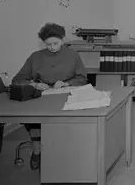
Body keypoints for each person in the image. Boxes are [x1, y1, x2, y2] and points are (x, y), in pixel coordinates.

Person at [12, 23, 88, 170]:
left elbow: (82, 78)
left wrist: (66, 83)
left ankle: (61, 154)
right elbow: (18, 80)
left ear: (62, 40)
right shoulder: (36, 57)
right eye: (48, 44)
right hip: (42, 98)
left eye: (55, 43)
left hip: (65, 97)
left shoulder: (73, 55)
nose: (52, 47)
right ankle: (36, 151)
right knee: (33, 119)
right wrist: (34, 84)